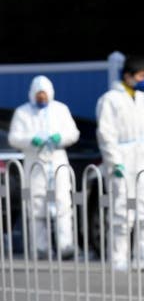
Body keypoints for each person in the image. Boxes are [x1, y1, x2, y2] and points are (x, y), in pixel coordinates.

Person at [96, 55, 144, 271]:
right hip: (123, 156)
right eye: (140, 75)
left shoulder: (141, 99)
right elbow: (105, 133)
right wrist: (114, 161)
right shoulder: (110, 100)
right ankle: (119, 257)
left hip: (142, 156)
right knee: (122, 208)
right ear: (128, 75)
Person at [9, 75, 80, 260]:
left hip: (57, 161)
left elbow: (73, 133)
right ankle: (40, 247)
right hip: (35, 164)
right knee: (36, 205)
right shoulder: (23, 113)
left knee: (63, 203)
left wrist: (60, 138)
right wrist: (31, 141)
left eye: (44, 95)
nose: (42, 99)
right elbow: (13, 138)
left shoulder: (60, 110)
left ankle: (66, 244)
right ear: (33, 94)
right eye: (39, 95)